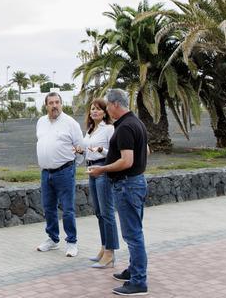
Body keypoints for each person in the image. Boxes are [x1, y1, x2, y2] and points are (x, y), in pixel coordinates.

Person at [87, 89, 149, 296]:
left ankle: (139, 281)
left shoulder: (124, 127)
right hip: (136, 182)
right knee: (135, 231)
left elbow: (127, 161)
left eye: (107, 105)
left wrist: (101, 169)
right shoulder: (136, 123)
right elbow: (146, 151)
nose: (107, 109)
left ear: (114, 104)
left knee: (132, 235)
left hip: (127, 185)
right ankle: (133, 270)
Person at [35, 91, 84, 257]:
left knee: (68, 209)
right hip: (46, 173)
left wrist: (71, 166)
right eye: (51, 103)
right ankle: (53, 239)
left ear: (61, 104)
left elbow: (80, 148)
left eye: (57, 102)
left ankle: (72, 242)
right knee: (49, 208)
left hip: (64, 171)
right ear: (46, 105)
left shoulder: (70, 123)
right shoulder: (41, 122)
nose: (54, 105)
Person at [81, 98, 119, 268]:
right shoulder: (90, 130)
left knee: (107, 212)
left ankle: (110, 252)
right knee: (98, 212)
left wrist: (101, 150)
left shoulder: (109, 129)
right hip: (91, 169)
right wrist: (80, 150)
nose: (94, 111)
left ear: (105, 112)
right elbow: (87, 149)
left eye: (98, 109)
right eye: (92, 109)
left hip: (103, 169)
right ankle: (104, 248)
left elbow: (115, 153)